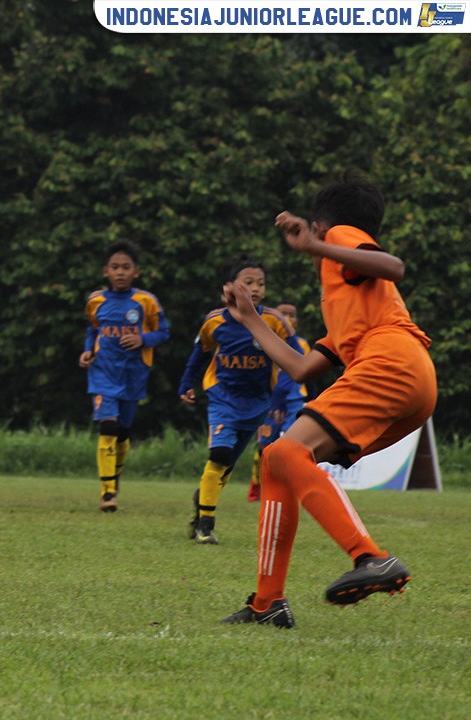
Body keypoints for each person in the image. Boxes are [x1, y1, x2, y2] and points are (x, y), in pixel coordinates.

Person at [221, 176, 434, 628]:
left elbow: (392, 265)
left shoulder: (339, 239)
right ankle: (266, 603)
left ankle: (370, 557)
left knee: (288, 451)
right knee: (280, 458)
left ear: (319, 225)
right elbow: (300, 369)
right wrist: (250, 318)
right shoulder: (349, 299)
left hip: (388, 362)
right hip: (411, 377)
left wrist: (318, 245)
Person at [177, 258, 301, 544]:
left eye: (261, 283)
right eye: (248, 282)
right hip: (222, 398)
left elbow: (297, 359)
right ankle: (205, 526)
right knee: (218, 455)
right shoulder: (215, 321)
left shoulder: (274, 321)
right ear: (230, 288)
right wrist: (186, 384)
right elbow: (200, 354)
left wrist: (281, 396)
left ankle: (201, 505)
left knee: (227, 465)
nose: (255, 288)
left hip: (258, 403)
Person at [79, 240, 169, 512]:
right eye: (115, 267)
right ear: (106, 271)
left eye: (125, 267)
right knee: (108, 426)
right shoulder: (96, 301)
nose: (120, 272)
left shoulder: (146, 301)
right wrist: (86, 352)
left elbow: (164, 333)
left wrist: (142, 339)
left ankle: (114, 479)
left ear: (136, 272)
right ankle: (107, 492)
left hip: (133, 373)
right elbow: (92, 331)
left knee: (123, 431)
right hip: (103, 373)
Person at [247, 302, 311, 502]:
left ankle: (291, 486)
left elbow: (309, 374)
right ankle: (257, 484)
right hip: (270, 402)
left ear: (297, 321)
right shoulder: (265, 344)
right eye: (283, 314)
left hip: (294, 401)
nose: (288, 319)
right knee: (264, 446)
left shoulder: (303, 345)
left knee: (294, 444)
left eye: (291, 315)